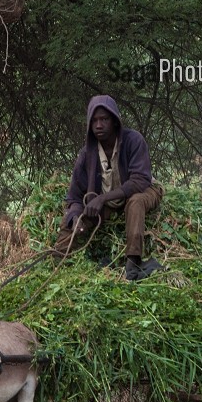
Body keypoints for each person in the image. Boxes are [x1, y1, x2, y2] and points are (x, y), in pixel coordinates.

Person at [55, 95, 163, 280]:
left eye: (104, 119)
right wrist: (75, 219)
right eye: (94, 120)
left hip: (143, 191)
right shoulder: (86, 155)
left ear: (114, 121)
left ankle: (133, 261)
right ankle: (57, 262)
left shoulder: (133, 140)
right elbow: (74, 197)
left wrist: (102, 198)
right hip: (110, 202)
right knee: (72, 219)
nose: (99, 125)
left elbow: (139, 181)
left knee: (135, 202)